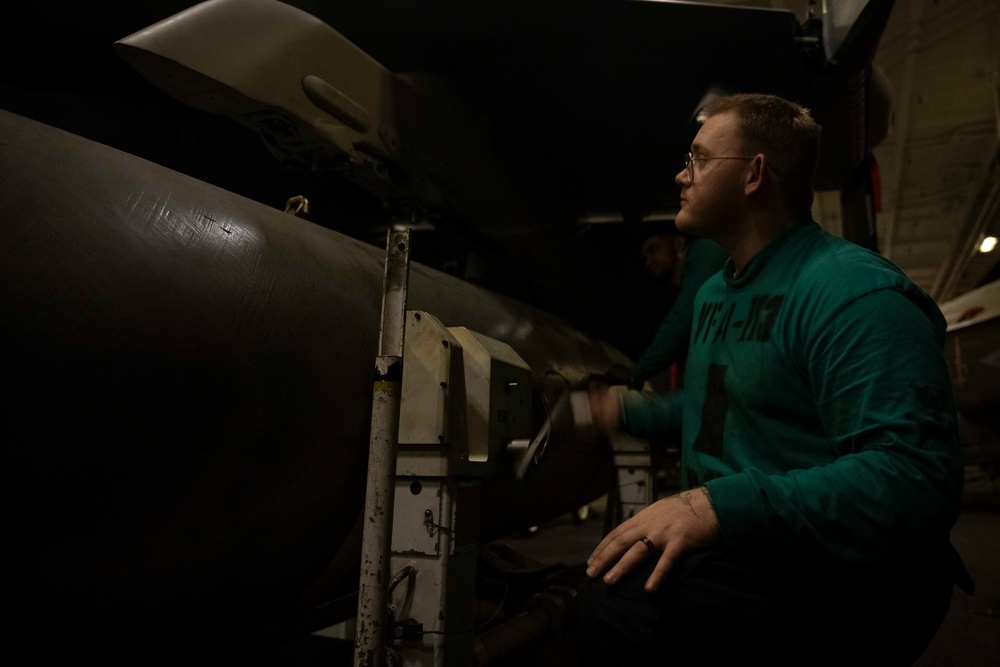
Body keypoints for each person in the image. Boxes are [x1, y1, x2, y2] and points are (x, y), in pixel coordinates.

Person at [576, 93, 972, 666]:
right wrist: (626, 408)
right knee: (609, 593)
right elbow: (725, 406)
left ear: (754, 174)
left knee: (617, 618)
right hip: (756, 541)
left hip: (846, 567)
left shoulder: (853, 293)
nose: (679, 175)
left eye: (698, 160)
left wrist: (718, 504)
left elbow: (916, 478)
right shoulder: (718, 291)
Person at [629, 227, 727, 390]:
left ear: (679, 243)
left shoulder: (702, 251)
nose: (648, 262)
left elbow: (681, 321)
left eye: (654, 250)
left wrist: (636, 373)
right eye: (644, 258)